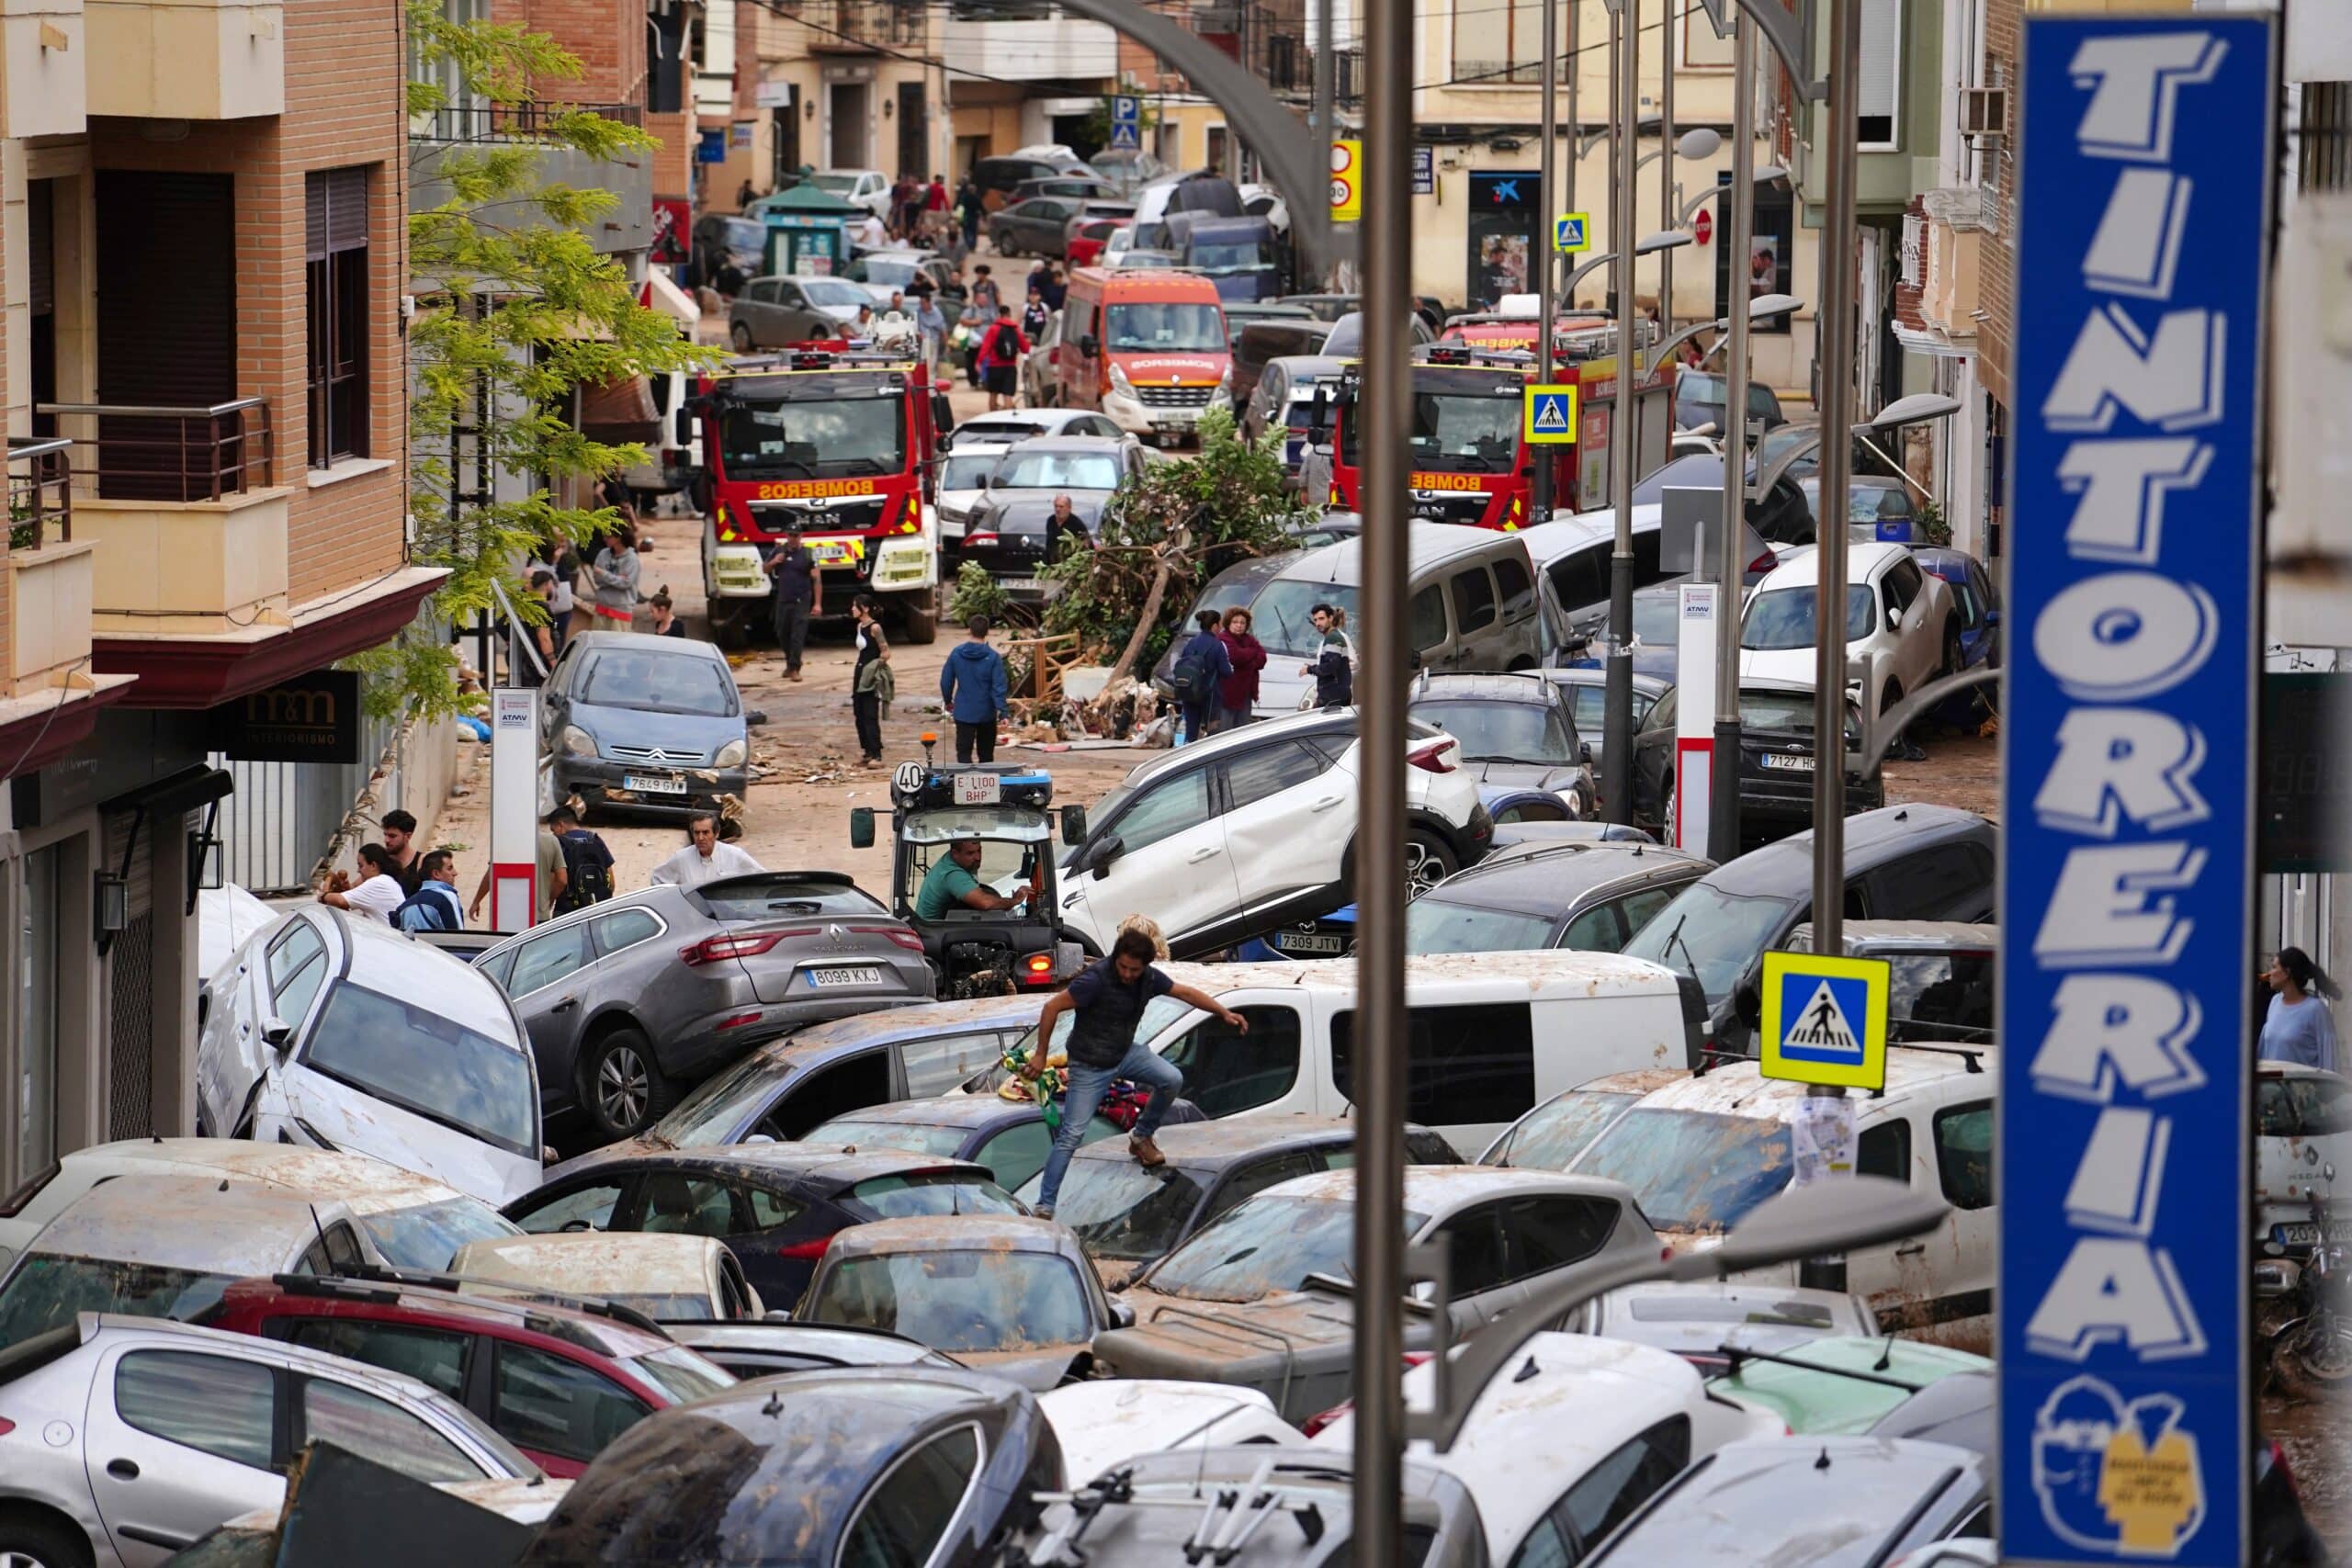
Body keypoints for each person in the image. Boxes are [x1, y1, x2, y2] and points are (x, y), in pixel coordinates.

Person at [1023, 927, 1249, 1217]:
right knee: (1072, 1134)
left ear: (1146, 966)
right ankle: (1044, 1205)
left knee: (1172, 1078)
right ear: (1116, 958)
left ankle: (1141, 1137)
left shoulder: (1149, 978)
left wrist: (1224, 1012)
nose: (1128, 974)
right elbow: (1052, 1006)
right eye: (1123, 967)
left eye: (1135, 969)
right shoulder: (1095, 979)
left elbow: (1185, 992)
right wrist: (1041, 1054)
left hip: (1125, 1053)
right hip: (1089, 1064)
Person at [469, 820, 568, 925]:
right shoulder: (551, 841)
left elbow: (491, 874)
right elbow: (562, 880)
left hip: (510, 913)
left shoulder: (506, 841)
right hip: (539, 914)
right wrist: (548, 901)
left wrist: (476, 901)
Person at [940, 614, 1009, 762]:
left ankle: (964, 784)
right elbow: (999, 687)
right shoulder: (993, 657)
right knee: (986, 756)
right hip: (987, 714)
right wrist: (1003, 712)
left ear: (969, 631)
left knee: (963, 755)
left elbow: (946, 681)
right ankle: (986, 784)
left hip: (963, 713)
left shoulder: (956, 654)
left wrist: (948, 701)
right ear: (987, 632)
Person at [2261, 947, 2340, 1073]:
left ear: (2287, 973)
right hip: (2275, 1089)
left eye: (2274, 967)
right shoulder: (2275, 1002)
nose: (2269, 973)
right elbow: (2264, 1050)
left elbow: (2330, 1059)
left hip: (2303, 1089)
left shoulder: (2316, 1010)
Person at [914, 837, 1032, 920]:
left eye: (979, 850)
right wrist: (1014, 901)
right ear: (955, 853)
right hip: (933, 933)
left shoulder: (961, 861)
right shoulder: (952, 874)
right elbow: (985, 903)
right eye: (970, 853)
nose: (978, 857)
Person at [764, 524, 821, 678]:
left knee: (797, 634)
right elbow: (765, 569)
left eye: (796, 536)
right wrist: (774, 562)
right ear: (786, 535)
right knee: (782, 632)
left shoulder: (808, 554)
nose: (792, 539)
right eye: (790, 535)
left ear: (801, 536)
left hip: (801, 599)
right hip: (783, 599)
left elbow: (816, 579)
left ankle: (794, 668)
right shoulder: (779, 551)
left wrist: (817, 603)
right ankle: (791, 662)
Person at [651, 813, 767, 888]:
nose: (701, 838)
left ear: (716, 833)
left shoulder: (734, 855)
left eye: (706, 832)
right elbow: (657, 879)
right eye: (697, 833)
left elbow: (762, 879)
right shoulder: (682, 858)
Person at [1170, 608, 1234, 743]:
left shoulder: (1191, 642)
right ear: (1215, 626)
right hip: (1209, 696)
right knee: (1212, 732)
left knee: (1191, 732)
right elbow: (1226, 671)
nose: (1221, 627)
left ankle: (1187, 758)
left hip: (1189, 691)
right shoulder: (1218, 645)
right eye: (1220, 624)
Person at [548, 804, 616, 913]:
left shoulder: (559, 844)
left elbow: (560, 880)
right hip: (595, 907)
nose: (553, 834)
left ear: (561, 825)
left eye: (553, 830)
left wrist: (550, 901)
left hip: (567, 909)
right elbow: (611, 880)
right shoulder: (595, 840)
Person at [850, 594, 893, 766]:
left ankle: (877, 754)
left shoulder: (875, 628)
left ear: (865, 608)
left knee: (869, 713)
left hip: (870, 676)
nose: (852, 609)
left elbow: (886, 652)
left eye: (855, 606)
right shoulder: (859, 626)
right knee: (858, 713)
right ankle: (867, 751)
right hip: (859, 672)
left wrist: (876, 666)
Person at [321, 844, 407, 924]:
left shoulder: (377, 883)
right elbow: (354, 891)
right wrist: (347, 888)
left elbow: (340, 900)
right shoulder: (387, 881)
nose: (358, 870)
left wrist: (323, 895)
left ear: (373, 865)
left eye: (361, 865)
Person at [1214, 606, 1266, 733]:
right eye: (1235, 622)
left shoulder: (1249, 639)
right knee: (1224, 731)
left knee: (1242, 732)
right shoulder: (1223, 638)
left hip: (1245, 693)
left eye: (1242, 623)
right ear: (1228, 623)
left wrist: (1247, 661)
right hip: (1226, 694)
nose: (1239, 626)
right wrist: (1252, 654)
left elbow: (1262, 658)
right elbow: (1235, 657)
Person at [394, 851, 466, 933]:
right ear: (436, 874)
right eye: (450, 868)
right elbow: (458, 936)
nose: (455, 873)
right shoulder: (447, 897)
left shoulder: (405, 906)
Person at [1303, 603, 1354, 708]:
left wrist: (1310, 669)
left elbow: (1331, 666)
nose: (1318, 623)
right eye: (1316, 620)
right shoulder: (1331, 637)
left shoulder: (1333, 638)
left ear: (1330, 618)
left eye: (1321, 619)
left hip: (1333, 696)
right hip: (1334, 695)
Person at [589, 525, 640, 630]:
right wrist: (616, 578)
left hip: (621, 609)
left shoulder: (632, 559)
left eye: (608, 536)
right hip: (602, 606)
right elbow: (597, 579)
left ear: (619, 538)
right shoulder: (603, 554)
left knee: (618, 643)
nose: (604, 539)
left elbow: (625, 583)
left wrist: (604, 574)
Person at [978, 305, 1027, 412]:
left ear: (999, 315)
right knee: (1008, 395)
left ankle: (992, 419)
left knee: (993, 394)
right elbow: (1025, 349)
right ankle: (1008, 421)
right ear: (1009, 314)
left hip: (994, 366)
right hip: (1010, 367)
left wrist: (978, 362)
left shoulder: (993, 328)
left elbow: (985, 347)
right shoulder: (1016, 329)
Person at [379, 808, 426, 896]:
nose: (386, 840)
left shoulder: (421, 863)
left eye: (392, 836)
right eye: (385, 835)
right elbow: (355, 887)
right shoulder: (380, 860)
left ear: (408, 836)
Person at [1046, 493, 1091, 562]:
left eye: (1061, 507)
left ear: (1069, 508)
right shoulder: (1051, 521)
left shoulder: (1077, 524)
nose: (1058, 509)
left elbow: (1086, 547)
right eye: (1056, 506)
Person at [915, 289, 948, 373]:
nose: (921, 305)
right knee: (921, 364)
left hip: (932, 342)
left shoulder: (936, 313)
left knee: (931, 365)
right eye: (920, 303)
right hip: (921, 343)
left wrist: (946, 345)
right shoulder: (919, 312)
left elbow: (943, 329)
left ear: (929, 302)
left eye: (923, 303)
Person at [956, 175, 982, 252]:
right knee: (973, 232)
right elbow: (981, 207)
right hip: (974, 217)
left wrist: (958, 215)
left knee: (966, 231)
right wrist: (985, 214)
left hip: (966, 217)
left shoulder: (964, 197)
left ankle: (967, 245)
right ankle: (972, 246)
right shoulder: (977, 198)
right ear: (974, 190)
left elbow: (960, 206)